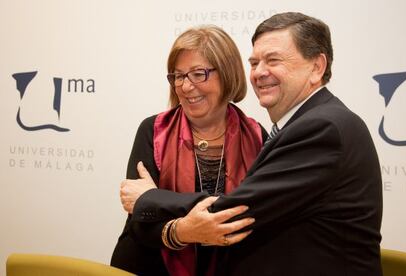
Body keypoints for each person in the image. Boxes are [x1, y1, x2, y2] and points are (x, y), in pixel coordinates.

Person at [123, 12, 383, 276]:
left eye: (273, 60)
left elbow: (236, 210)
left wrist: (148, 198)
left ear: (316, 67)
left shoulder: (314, 128)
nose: (259, 72)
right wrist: (177, 231)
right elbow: (139, 226)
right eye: (255, 62)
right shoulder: (154, 130)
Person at [110, 25, 268, 275]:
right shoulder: (153, 130)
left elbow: (254, 216)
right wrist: (184, 231)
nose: (185, 86)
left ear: (227, 74)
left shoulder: (258, 136)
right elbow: (140, 219)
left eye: (198, 74)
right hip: (151, 266)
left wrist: (154, 197)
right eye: (178, 76)